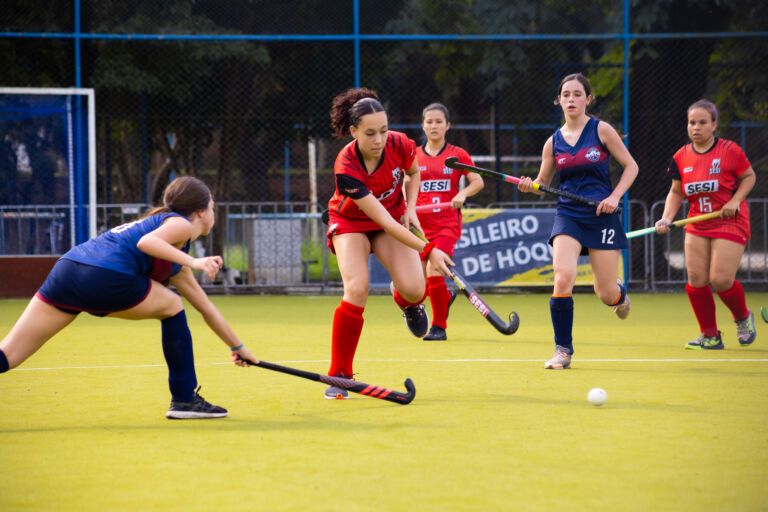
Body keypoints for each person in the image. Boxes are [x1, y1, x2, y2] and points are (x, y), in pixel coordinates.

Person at [0, 176, 258, 418]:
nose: (214, 212)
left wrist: (238, 348)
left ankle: (185, 399)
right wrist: (195, 261)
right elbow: (147, 243)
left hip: (68, 270)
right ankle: (184, 399)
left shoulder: (174, 256)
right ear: (201, 212)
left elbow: (206, 308)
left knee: (10, 353)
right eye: (212, 207)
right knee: (172, 304)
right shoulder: (180, 224)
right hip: (104, 276)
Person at [324, 88, 454, 399]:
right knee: (357, 288)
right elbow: (383, 221)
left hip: (393, 216)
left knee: (415, 290)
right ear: (353, 131)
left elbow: (414, 173)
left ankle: (406, 301)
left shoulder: (400, 144)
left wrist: (411, 208)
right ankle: (339, 374)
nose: (379, 140)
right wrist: (429, 250)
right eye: (370, 133)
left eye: (383, 130)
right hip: (351, 222)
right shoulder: (346, 165)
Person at [517, 73, 638, 369]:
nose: (571, 99)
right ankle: (563, 350)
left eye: (577, 94)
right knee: (562, 279)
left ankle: (619, 295)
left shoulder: (601, 130)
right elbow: (543, 184)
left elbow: (631, 167)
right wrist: (530, 185)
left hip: (601, 216)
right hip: (568, 215)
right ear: (558, 101)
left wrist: (615, 197)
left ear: (588, 99)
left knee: (605, 293)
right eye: (566, 95)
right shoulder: (553, 143)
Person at [654, 99, 757, 349]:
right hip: (698, 221)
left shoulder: (729, 150)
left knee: (720, 280)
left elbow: (749, 177)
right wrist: (666, 217)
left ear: (714, 124)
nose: (696, 128)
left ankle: (743, 318)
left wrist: (735, 200)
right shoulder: (681, 156)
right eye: (692, 123)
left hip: (729, 220)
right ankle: (710, 335)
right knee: (696, 279)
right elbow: (676, 191)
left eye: (702, 122)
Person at [415, 103, 484, 341]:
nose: (434, 126)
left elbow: (478, 181)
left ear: (448, 125)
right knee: (414, 286)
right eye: (429, 121)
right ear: (423, 125)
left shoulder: (457, 155)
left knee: (434, 268)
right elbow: (404, 185)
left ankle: (439, 327)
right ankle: (444, 297)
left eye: (439, 121)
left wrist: (462, 194)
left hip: (446, 226)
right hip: (418, 228)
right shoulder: (413, 156)